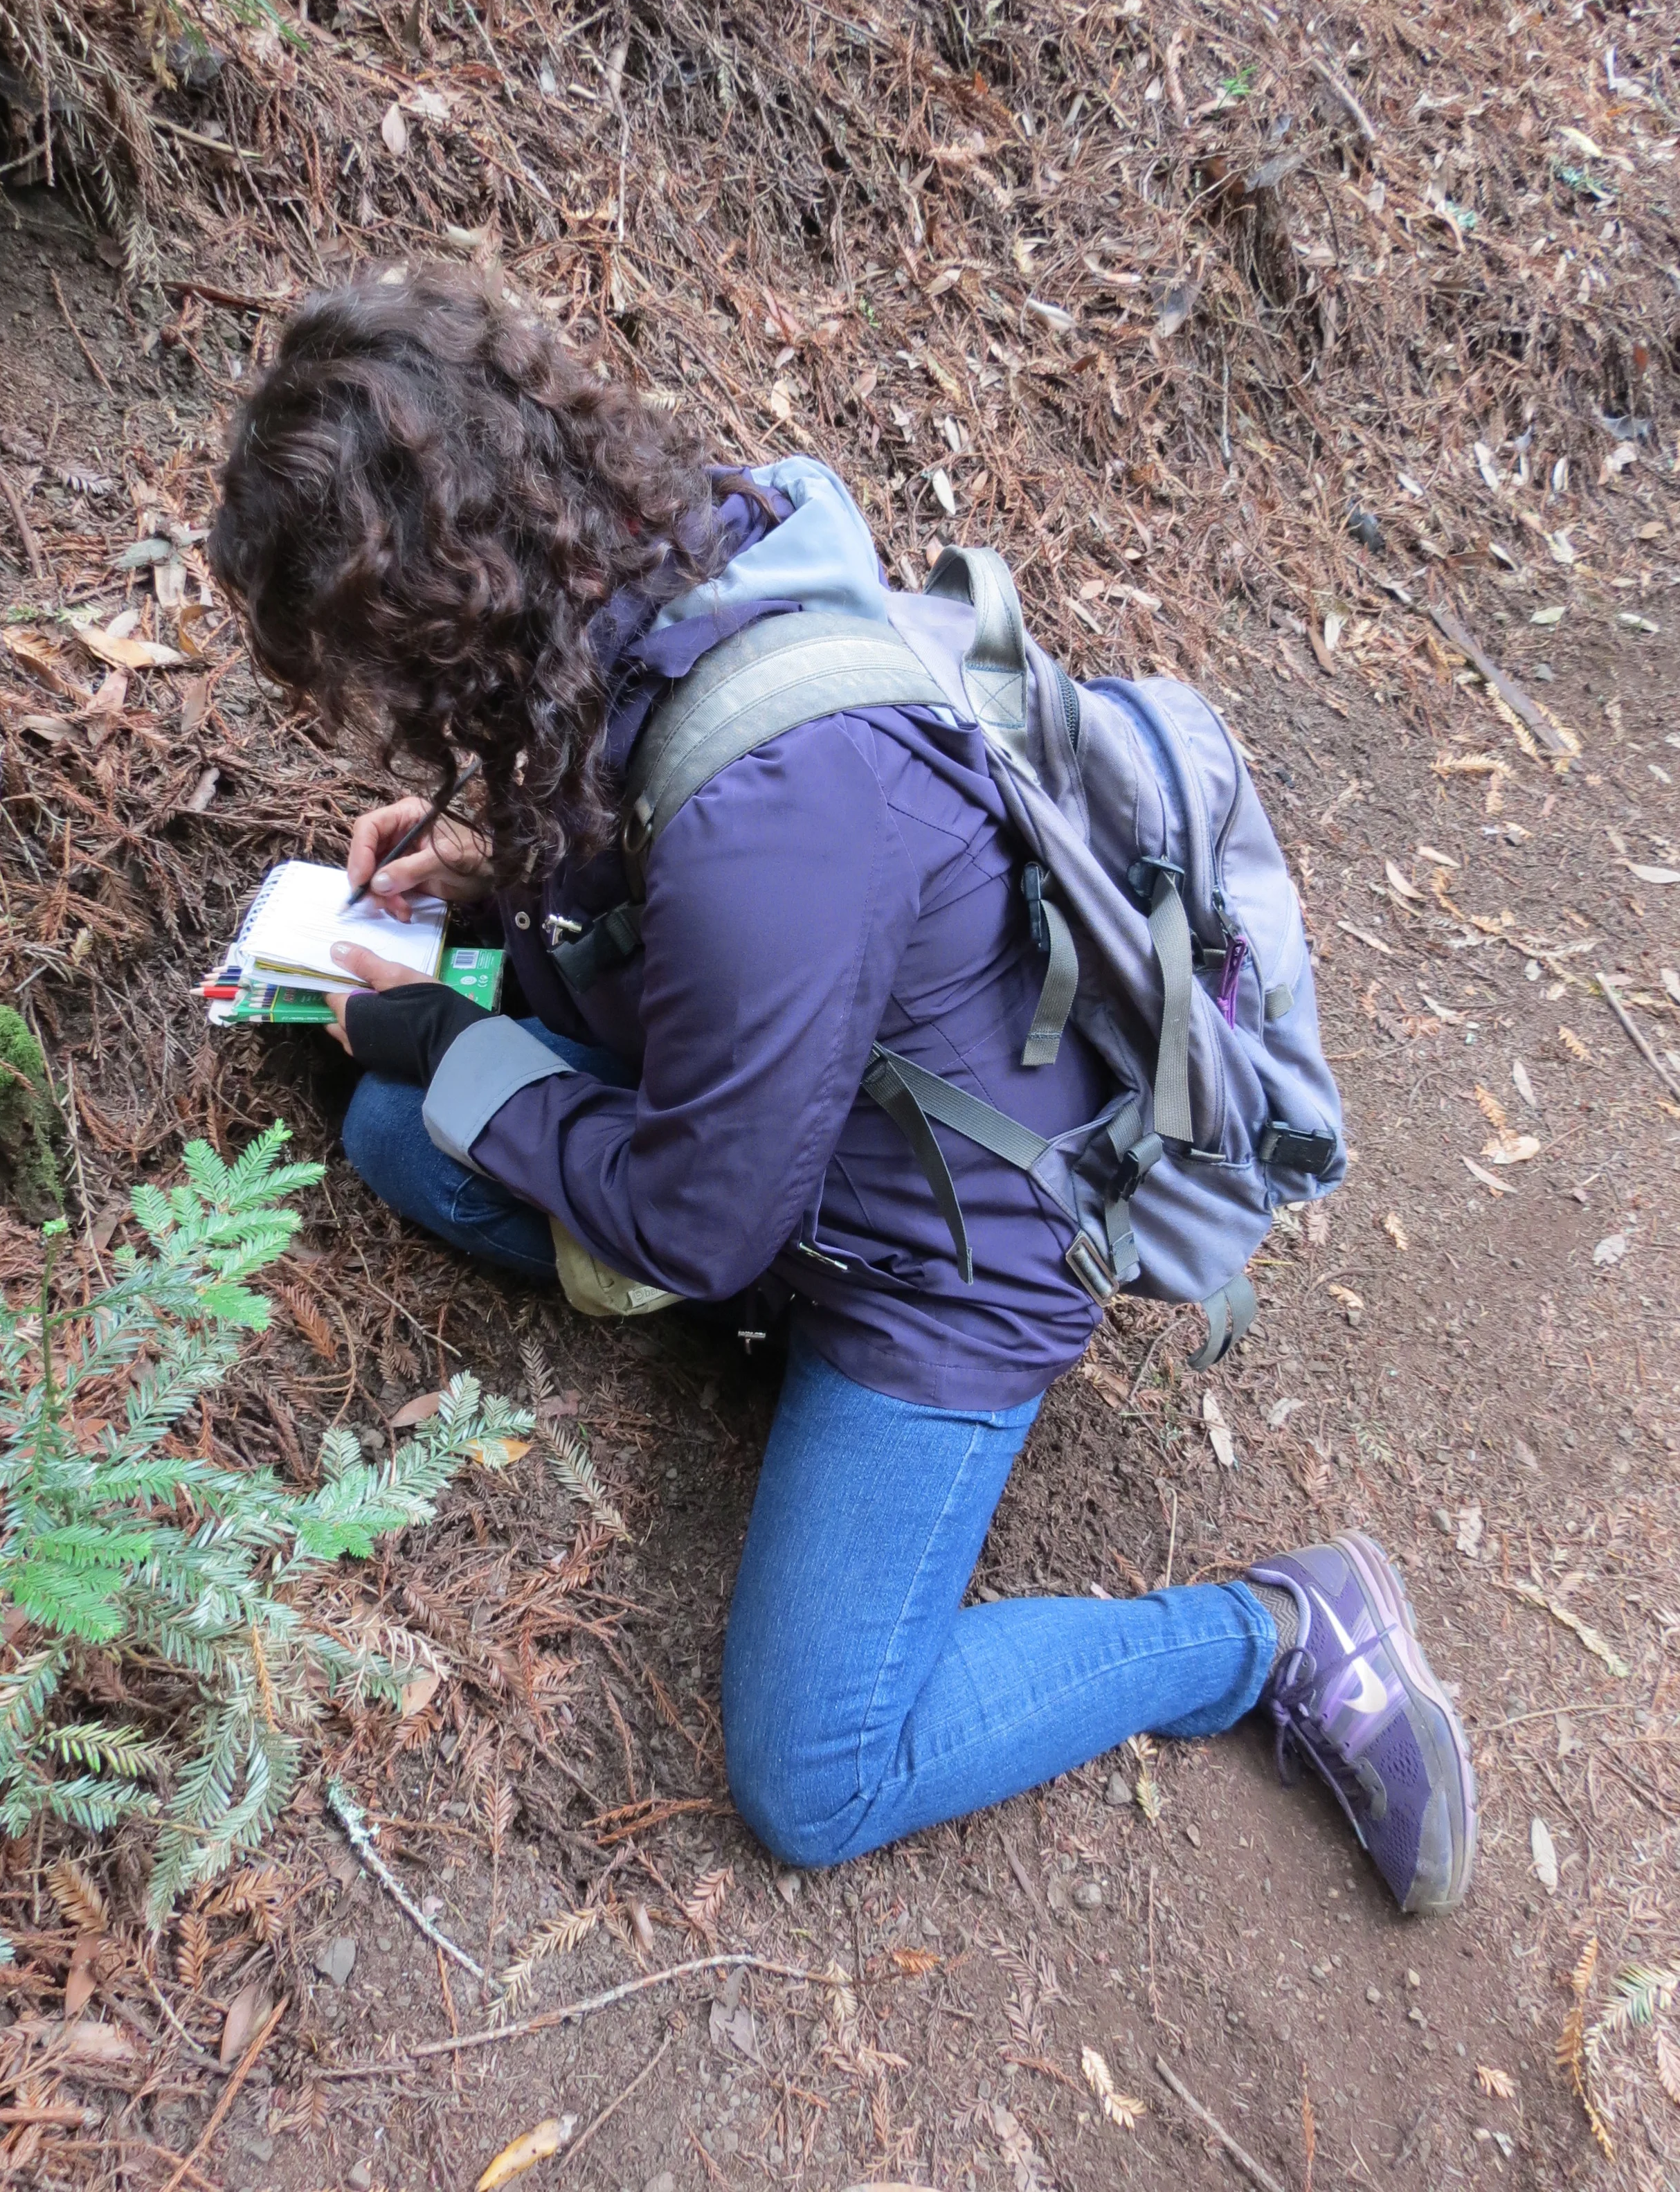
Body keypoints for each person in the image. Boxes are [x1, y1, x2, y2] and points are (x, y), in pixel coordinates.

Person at [208, 265, 1476, 1911]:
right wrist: (479, 867)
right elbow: (637, 838)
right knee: (404, 1139)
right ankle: (776, 1352)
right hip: (815, 1138)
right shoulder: (668, 559)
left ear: (437, 612)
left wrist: (454, 1041)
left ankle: (1277, 1635)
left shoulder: (776, 812)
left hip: (950, 1257)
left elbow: (702, 1212)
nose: (375, 714)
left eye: (364, 673)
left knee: (817, 1769)